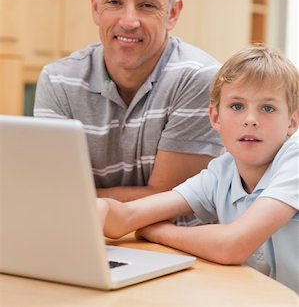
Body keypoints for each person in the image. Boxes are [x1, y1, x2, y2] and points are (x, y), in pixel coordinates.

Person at [34, 0, 223, 223]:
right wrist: (63, 199)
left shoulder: (198, 78)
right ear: (96, 7)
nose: (129, 21)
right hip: (88, 241)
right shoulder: (58, 80)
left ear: (172, 13)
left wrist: (76, 198)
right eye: (115, 2)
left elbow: (170, 198)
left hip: (177, 249)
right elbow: (53, 192)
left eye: (146, 5)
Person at [98, 45, 299, 292]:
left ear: (292, 122)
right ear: (215, 118)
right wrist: (98, 208)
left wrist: (159, 232)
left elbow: (232, 245)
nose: (250, 119)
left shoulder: (295, 160)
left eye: (267, 108)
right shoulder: (221, 172)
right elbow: (126, 217)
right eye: (237, 106)